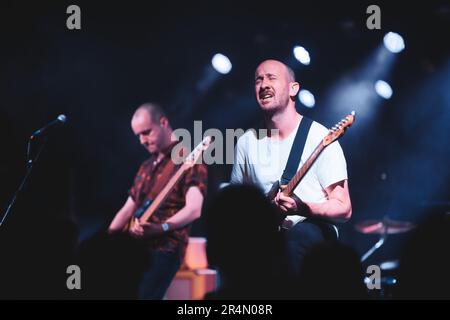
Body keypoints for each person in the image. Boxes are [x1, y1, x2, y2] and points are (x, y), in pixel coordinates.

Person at [230, 59, 352, 278]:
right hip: (267, 236)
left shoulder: (320, 138)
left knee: (297, 238)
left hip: (311, 233)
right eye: (258, 80)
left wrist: (302, 208)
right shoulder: (246, 142)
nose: (263, 84)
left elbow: (343, 208)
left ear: (293, 88)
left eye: (271, 78)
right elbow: (238, 204)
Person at [108, 103, 207, 299]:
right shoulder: (146, 167)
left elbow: (194, 209)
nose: (142, 140)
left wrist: (160, 228)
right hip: (135, 249)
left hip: (164, 250)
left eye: (146, 132)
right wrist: (107, 242)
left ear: (163, 122)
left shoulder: (187, 158)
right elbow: (127, 209)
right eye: (138, 136)